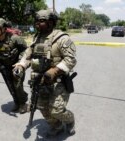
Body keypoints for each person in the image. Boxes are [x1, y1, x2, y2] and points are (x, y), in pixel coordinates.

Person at [13, 9, 77, 137]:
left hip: (59, 82)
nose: (37, 24)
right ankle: (57, 126)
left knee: (56, 110)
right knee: (42, 107)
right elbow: (28, 55)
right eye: (36, 21)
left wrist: (55, 70)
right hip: (40, 81)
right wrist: (21, 65)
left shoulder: (62, 38)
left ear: (51, 22)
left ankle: (70, 121)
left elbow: (71, 59)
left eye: (41, 21)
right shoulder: (36, 38)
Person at [0, 18, 29, 114]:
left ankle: (23, 103)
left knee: (18, 85)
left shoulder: (14, 38)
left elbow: (25, 50)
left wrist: (20, 63)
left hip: (17, 65)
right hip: (4, 67)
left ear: (3, 29)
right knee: (10, 86)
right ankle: (17, 102)